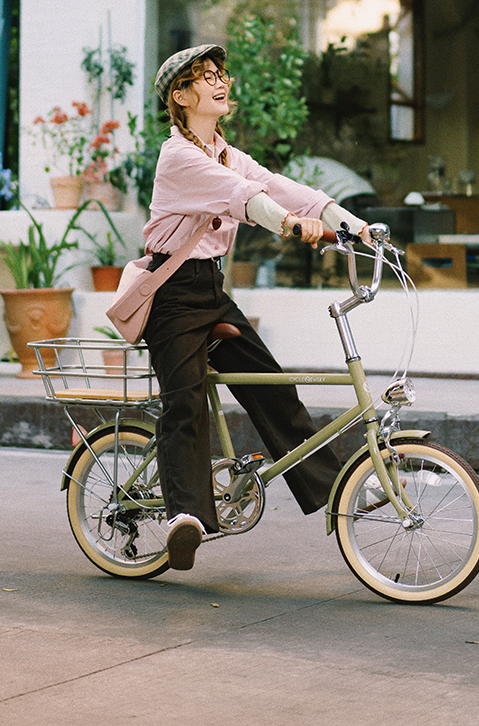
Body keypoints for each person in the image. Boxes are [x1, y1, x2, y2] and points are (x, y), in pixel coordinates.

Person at [142, 44, 369, 571]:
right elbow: (242, 196)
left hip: (211, 291)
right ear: (181, 95)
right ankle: (186, 519)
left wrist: (355, 226)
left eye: (223, 74)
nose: (221, 83)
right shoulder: (179, 155)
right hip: (171, 295)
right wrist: (289, 224)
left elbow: (280, 187)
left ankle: (335, 488)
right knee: (185, 400)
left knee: (272, 387)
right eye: (206, 77)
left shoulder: (223, 150)